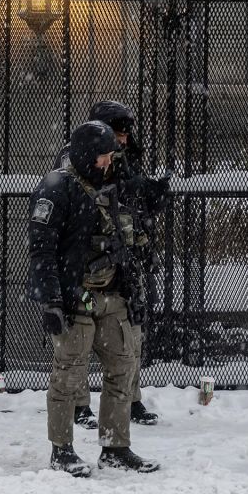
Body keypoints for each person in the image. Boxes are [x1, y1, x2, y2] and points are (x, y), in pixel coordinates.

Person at [29, 120, 160, 477]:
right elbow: (42, 251)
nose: (108, 162)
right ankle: (62, 450)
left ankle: (115, 447)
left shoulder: (111, 183)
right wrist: (52, 301)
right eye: (103, 156)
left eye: (110, 156)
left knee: (123, 368)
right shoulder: (57, 188)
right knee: (68, 377)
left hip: (113, 293)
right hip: (76, 298)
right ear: (87, 155)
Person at [53, 101, 166, 429]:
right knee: (78, 340)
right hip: (86, 263)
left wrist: (149, 203)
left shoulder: (121, 156)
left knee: (129, 333)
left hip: (121, 256)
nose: (125, 141)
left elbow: (131, 201)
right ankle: (78, 405)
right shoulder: (77, 156)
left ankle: (129, 398)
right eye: (118, 134)